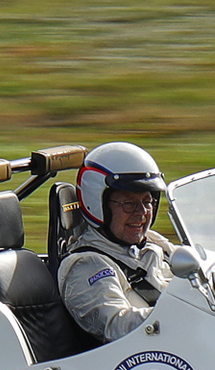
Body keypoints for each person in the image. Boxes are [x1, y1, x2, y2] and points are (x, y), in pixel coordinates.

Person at [59, 142, 175, 343]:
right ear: (97, 203)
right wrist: (185, 314)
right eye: (129, 203)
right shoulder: (88, 265)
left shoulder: (153, 243)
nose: (141, 213)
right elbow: (115, 326)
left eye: (147, 202)